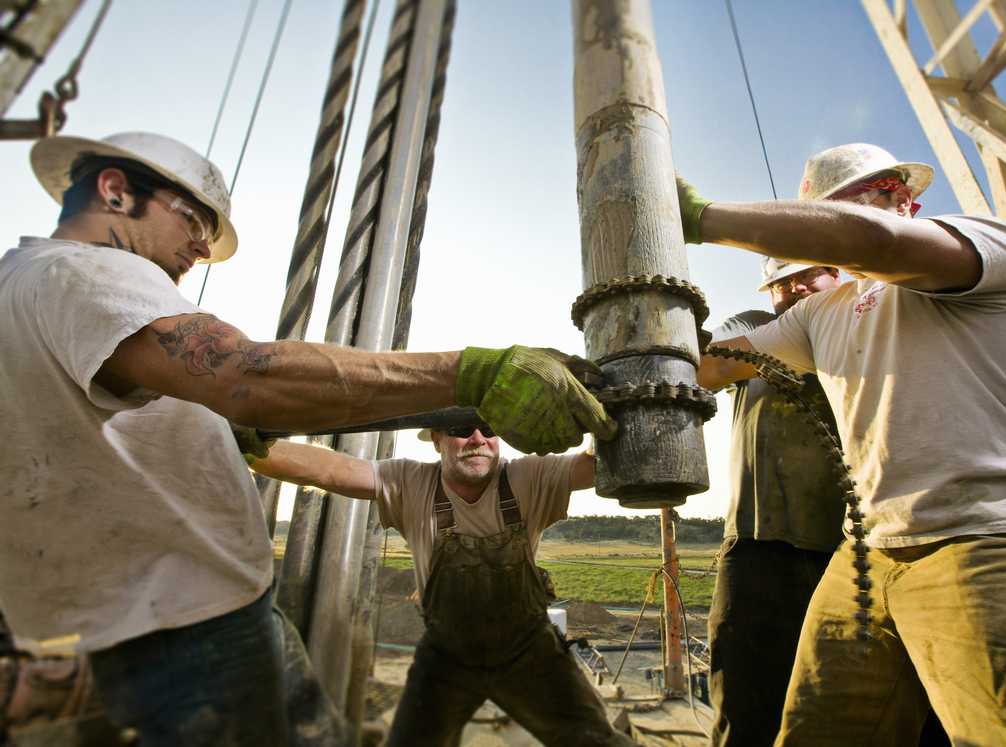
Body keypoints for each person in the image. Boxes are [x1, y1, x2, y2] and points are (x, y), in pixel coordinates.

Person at [0, 131, 616, 745]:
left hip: (141, 616)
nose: (200, 245)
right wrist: (473, 373)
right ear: (114, 190)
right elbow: (250, 376)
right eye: (192, 219)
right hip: (191, 627)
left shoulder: (22, 285)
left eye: (209, 236)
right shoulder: (85, 275)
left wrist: (223, 432)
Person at [680, 143, 1006, 745]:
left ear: (900, 196)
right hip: (866, 556)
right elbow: (713, 367)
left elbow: (878, 243)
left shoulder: (986, 245)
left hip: (993, 542)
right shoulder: (821, 313)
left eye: (864, 203)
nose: (828, 237)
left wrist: (704, 218)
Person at [251, 425, 636, 747]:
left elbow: (599, 463)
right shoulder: (410, 482)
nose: (476, 438)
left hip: (530, 653)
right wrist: (248, 443)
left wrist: (594, 421)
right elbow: (333, 470)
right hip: (447, 659)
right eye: (458, 429)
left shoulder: (529, 476)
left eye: (488, 428)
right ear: (436, 439)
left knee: (595, 740)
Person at [699, 258, 845, 746]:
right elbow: (706, 365)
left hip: (858, 549)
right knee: (748, 700)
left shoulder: (858, 322)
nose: (794, 287)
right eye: (781, 282)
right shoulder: (758, 327)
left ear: (839, 275)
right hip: (758, 544)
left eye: (808, 275)